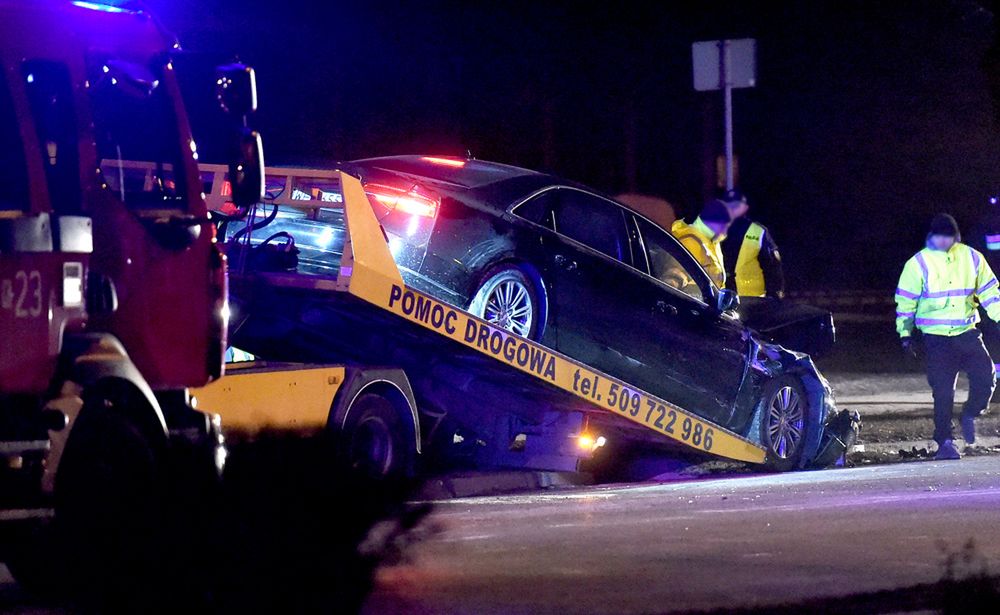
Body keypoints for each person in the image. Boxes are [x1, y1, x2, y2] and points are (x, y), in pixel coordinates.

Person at [895, 213, 1000, 460]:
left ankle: (970, 413)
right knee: (942, 392)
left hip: (967, 332)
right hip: (936, 339)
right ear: (932, 235)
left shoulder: (972, 258)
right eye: (940, 236)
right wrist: (905, 334)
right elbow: (906, 302)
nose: (944, 241)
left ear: (956, 236)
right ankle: (944, 441)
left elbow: (990, 293)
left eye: (949, 236)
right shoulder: (918, 264)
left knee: (986, 378)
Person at [720, 189, 786, 299]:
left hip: (752, 299)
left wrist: (775, 293)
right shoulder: (714, 229)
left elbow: (773, 266)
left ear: (745, 208)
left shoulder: (758, 232)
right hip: (722, 297)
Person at [671, 199, 730, 288]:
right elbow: (676, 279)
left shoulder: (711, 242)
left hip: (710, 300)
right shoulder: (690, 242)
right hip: (696, 300)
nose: (726, 229)